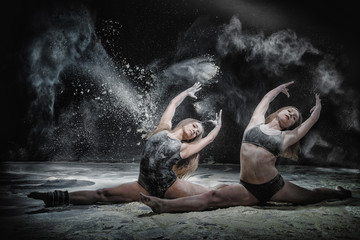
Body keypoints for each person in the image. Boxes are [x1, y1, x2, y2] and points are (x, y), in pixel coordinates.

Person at [139, 81, 352, 213]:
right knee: (212, 198)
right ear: (279, 112)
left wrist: (317, 111)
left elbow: (309, 124)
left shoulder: (286, 137)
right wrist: (278, 90)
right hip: (248, 188)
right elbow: (266, 99)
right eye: (289, 111)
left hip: (274, 186)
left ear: (292, 124)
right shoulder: (255, 122)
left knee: (313, 196)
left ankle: (340, 193)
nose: (291, 114)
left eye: (294, 117)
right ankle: (163, 205)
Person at [28, 82, 222, 207]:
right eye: (195, 126)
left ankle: (245, 193)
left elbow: (210, 139)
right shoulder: (163, 129)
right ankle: (55, 197)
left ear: (191, 139)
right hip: (143, 184)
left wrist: (218, 126)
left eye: (197, 133)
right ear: (187, 122)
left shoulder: (185, 148)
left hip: (168, 186)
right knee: (102, 194)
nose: (196, 130)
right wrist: (186, 92)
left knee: (211, 195)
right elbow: (172, 105)